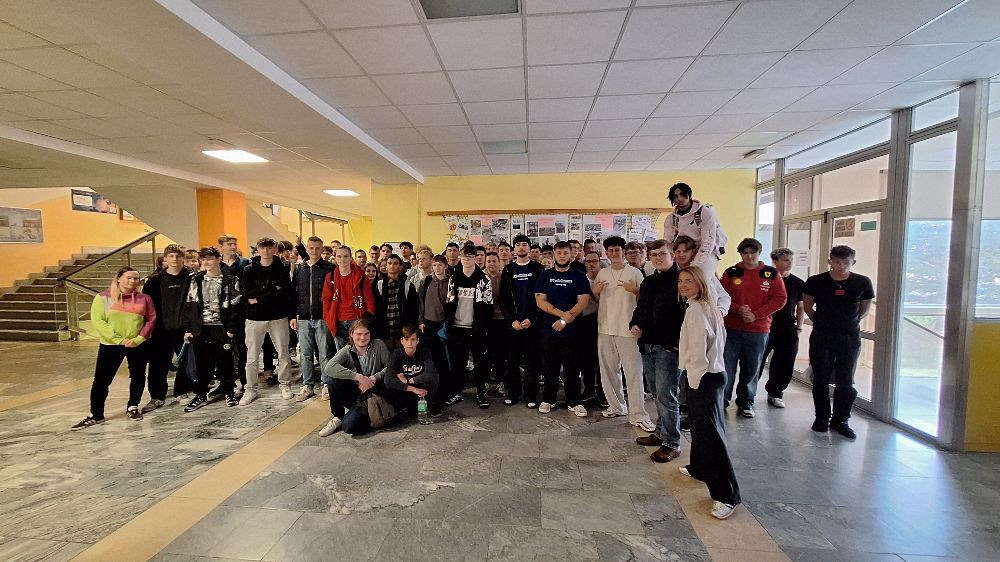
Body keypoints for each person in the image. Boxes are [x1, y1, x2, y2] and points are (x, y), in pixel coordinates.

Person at [676, 266, 740, 521]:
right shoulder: (702, 305)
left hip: (704, 376)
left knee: (711, 435)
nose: (683, 285)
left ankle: (726, 495)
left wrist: (694, 377)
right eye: (681, 281)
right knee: (700, 428)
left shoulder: (696, 310)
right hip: (711, 374)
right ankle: (699, 467)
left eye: (689, 281)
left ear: (701, 283)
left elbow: (699, 348)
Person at [803, 245, 874, 439]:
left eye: (845, 263)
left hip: (849, 336)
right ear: (830, 261)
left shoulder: (862, 282)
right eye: (836, 262)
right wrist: (820, 321)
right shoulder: (816, 281)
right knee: (820, 378)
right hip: (822, 335)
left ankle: (841, 419)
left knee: (846, 380)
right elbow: (808, 306)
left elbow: (865, 309)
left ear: (853, 262)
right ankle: (821, 418)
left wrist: (852, 322)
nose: (840, 266)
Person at [71, 267, 156, 429]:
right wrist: (118, 339)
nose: (132, 281)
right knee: (101, 380)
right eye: (128, 278)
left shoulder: (145, 298)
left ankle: (133, 406)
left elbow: (151, 320)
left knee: (138, 376)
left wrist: (139, 339)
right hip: (111, 345)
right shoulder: (102, 298)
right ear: (118, 278)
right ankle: (96, 414)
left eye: (136, 278)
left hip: (137, 344)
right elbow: (99, 321)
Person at [630, 240, 685, 463]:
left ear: (672, 255)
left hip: (669, 347)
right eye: (654, 255)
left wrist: (676, 342)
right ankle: (661, 432)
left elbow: (686, 314)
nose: (658, 258)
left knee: (666, 395)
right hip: (648, 344)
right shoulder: (649, 281)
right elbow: (641, 308)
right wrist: (634, 323)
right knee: (656, 393)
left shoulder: (681, 280)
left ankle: (672, 443)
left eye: (662, 254)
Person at [720, 238, 786, 418]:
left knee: (752, 367)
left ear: (759, 253)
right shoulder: (731, 272)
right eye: (745, 253)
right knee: (726, 366)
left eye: (753, 253)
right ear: (740, 254)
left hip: (758, 330)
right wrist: (738, 309)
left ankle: (746, 402)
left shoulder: (770, 274)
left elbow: (780, 299)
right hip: (731, 328)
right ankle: (722, 400)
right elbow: (721, 296)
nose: (749, 257)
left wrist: (757, 314)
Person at [594, 236, 654, 432]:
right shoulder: (602, 272)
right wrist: (596, 290)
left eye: (617, 250)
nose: (614, 253)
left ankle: (638, 414)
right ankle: (617, 406)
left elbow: (646, 299)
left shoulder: (634, 272)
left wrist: (635, 290)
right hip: (605, 328)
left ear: (623, 252)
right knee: (608, 371)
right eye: (610, 250)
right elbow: (595, 298)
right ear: (606, 253)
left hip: (628, 329)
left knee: (633, 373)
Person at [534, 241, 591, 417]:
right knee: (550, 368)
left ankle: (574, 402)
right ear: (554, 254)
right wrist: (561, 315)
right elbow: (540, 301)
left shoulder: (579, 275)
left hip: (573, 331)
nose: (562, 256)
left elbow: (583, 301)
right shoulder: (545, 275)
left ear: (571, 254)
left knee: (572, 369)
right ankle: (548, 399)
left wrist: (565, 320)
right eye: (559, 253)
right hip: (549, 330)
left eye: (565, 252)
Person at [181, 247, 242, 411]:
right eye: (203, 259)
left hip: (221, 327)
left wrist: (231, 328)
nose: (206, 262)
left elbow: (236, 305)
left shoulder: (230, 280)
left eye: (210, 258)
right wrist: (188, 329)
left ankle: (229, 391)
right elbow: (189, 305)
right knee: (202, 363)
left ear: (219, 259)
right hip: (201, 328)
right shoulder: (196, 280)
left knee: (225, 362)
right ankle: (201, 394)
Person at [240, 238, 294, 405]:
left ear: (274, 249)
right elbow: (248, 294)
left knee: (283, 353)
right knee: (252, 356)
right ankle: (250, 388)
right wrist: (271, 291)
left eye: (269, 248)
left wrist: (260, 296)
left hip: (278, 316)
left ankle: (285, 384)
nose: (266, 251)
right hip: (255, 318)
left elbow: (285, 292)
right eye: (263, 248)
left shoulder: (282, 268)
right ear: (258, 249)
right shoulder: (249, 269)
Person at [140, 244, 193, 412]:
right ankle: (157, 396)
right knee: (158, 364)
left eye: (178, 256)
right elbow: (146, 306)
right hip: (160, 329)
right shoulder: (154, 281)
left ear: (183, 258)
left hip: (184, 328)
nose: (175, 259)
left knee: (186, 361)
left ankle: (181, 392)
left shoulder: (192, 278)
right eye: (171, 256)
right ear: (165, 259)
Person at [318, 318, 390, 436]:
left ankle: (368, 417)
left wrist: (374, 378)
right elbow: (329, 367)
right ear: (352, 334)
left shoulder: (378, 345)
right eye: (359, 334)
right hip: (356, 394)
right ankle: (338, 417)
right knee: (332, 380)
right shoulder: (347, 350)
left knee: (349, 427)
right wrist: (357, 377)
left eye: (366, 334)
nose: (363, 337)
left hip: (373, 394)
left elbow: (390, 367)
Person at [445, 243, 494, 408]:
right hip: (457, 328)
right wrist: (450, 325)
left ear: (475, 258)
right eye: (465, 257)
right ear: (461, 258)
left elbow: (488, 307)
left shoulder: (483, 279)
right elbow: (449, 302)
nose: (467, 260)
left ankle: (481, 393)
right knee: (458, 364)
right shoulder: (454, 278)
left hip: (476, 329)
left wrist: (483, 328)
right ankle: (457, 392)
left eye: (471, 257)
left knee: (480, 364)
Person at [498, 234, 545, 407]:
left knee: (533, 361)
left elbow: (542, 297)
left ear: (529, 248)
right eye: (518, 245)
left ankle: (531, 395)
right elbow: (503, 299)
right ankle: (513, 393)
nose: (521, 247)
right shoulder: (508, 270)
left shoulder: (538, 269)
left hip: (532, 324)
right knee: (512, 361)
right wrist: (511, 320)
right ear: (514, 249)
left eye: (524, 244)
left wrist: (532, 318)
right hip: (514, 325)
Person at [291, 236, 335, 402]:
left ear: (322, 249)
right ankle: (308, 385)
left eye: (318, 248)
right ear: (307, 249)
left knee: (325, 353)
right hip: (303, 318)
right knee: (305, 354)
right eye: (311, 248)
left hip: (322, 317)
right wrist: (293, 315)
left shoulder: (329, 268)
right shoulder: (300, 269)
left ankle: (326, 384)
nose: (314, 251)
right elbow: (294, 294)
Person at [759, 248, 805, 408]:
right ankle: (747, 395)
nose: (789, 263)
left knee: (784, 363)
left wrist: (799, 328)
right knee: (757, 361)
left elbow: (800, 307)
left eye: (791, 260)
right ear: (775, 261)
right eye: (785, 260)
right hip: (764, 326)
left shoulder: (798, 283)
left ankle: (775, 393)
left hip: (787, 328)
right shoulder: (765, 279)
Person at [663, 182, 727, 278]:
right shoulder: (671, 218)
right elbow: (668, 243)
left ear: (689, 195)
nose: (679, 199)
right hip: (686, 252)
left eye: (682, 195)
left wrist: (694, 266)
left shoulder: (704, 212)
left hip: (708, 252)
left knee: (699, 279)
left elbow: (708, 242)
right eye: (676, 196)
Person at [323, 245, 375, 353]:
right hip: (337, 320)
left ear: (351, 258)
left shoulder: (361, 276)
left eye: (346, 256)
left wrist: (367, 317)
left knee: (359, 353)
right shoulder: (330, 277)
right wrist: (328, 317)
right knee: (342, 354)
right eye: (339, 256)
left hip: (357, 319)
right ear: (335, 258)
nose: (343, 259)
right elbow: (326, 300)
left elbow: (369, 298)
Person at [384, 326, 442, 419]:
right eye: (406, 339)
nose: (410, 343)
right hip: (408, 390)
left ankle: (432, 403)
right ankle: (407, 406)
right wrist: (413, 389)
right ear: (402, 341)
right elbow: (388, 380)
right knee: (390, 387)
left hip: (423, 387)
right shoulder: (396, 355)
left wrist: (408, 380)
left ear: (417, 341)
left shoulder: (424, 352)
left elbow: (430, 374)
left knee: (434, 376)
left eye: (413, 339)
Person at [218, 234, 250, 391]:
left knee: (243, 349)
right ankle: (225, 383)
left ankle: (245, 383)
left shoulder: (245, 263)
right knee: (223, 350)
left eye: (235, 243)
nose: (233, 246)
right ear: (221, 247)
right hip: (222, 313)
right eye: (229, 244)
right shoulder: (217, 265)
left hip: (242, 312)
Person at [372, 254, 419, 351]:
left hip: (402, 330)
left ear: (400, 266)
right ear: (386, 266)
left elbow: (413, 309)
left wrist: (409, 328)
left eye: (395, 263)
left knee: (402, 355)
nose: (392, 266)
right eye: (389, 263)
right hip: (385, 330)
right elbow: (376, 308)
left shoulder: (408, 285)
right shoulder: (380, 285)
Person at [418, 254, 452, 385]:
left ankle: (445, 382)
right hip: (428, 323)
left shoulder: (451, 282)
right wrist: (420, 321)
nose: (437, 268)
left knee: (444, 355)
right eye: (435, 265)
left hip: (444, 323)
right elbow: (420, 302)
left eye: (440, 265)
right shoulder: (426, 281)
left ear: (446, 266)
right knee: (431, 353)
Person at [580, 250, 606, 407]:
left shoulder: (605, 278)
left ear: (599, 262)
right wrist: (593, 294)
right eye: (588, 261)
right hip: (586, 322)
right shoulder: (581, 280)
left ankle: (603, 391)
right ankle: (589, 389)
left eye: (594, 261)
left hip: (605, 321)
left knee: (603, 359)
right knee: (587, 359)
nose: (591, 264)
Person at [483, 251, 507, 392]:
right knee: (486, 353)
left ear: (499, 263)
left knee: (500, 353)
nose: (492, 264)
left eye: (494, 261)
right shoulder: (481, 278)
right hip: (486, 321)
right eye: (489, 261)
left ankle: (500, 381)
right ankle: (485, 381)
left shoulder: (505, 277)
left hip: (502, 320)